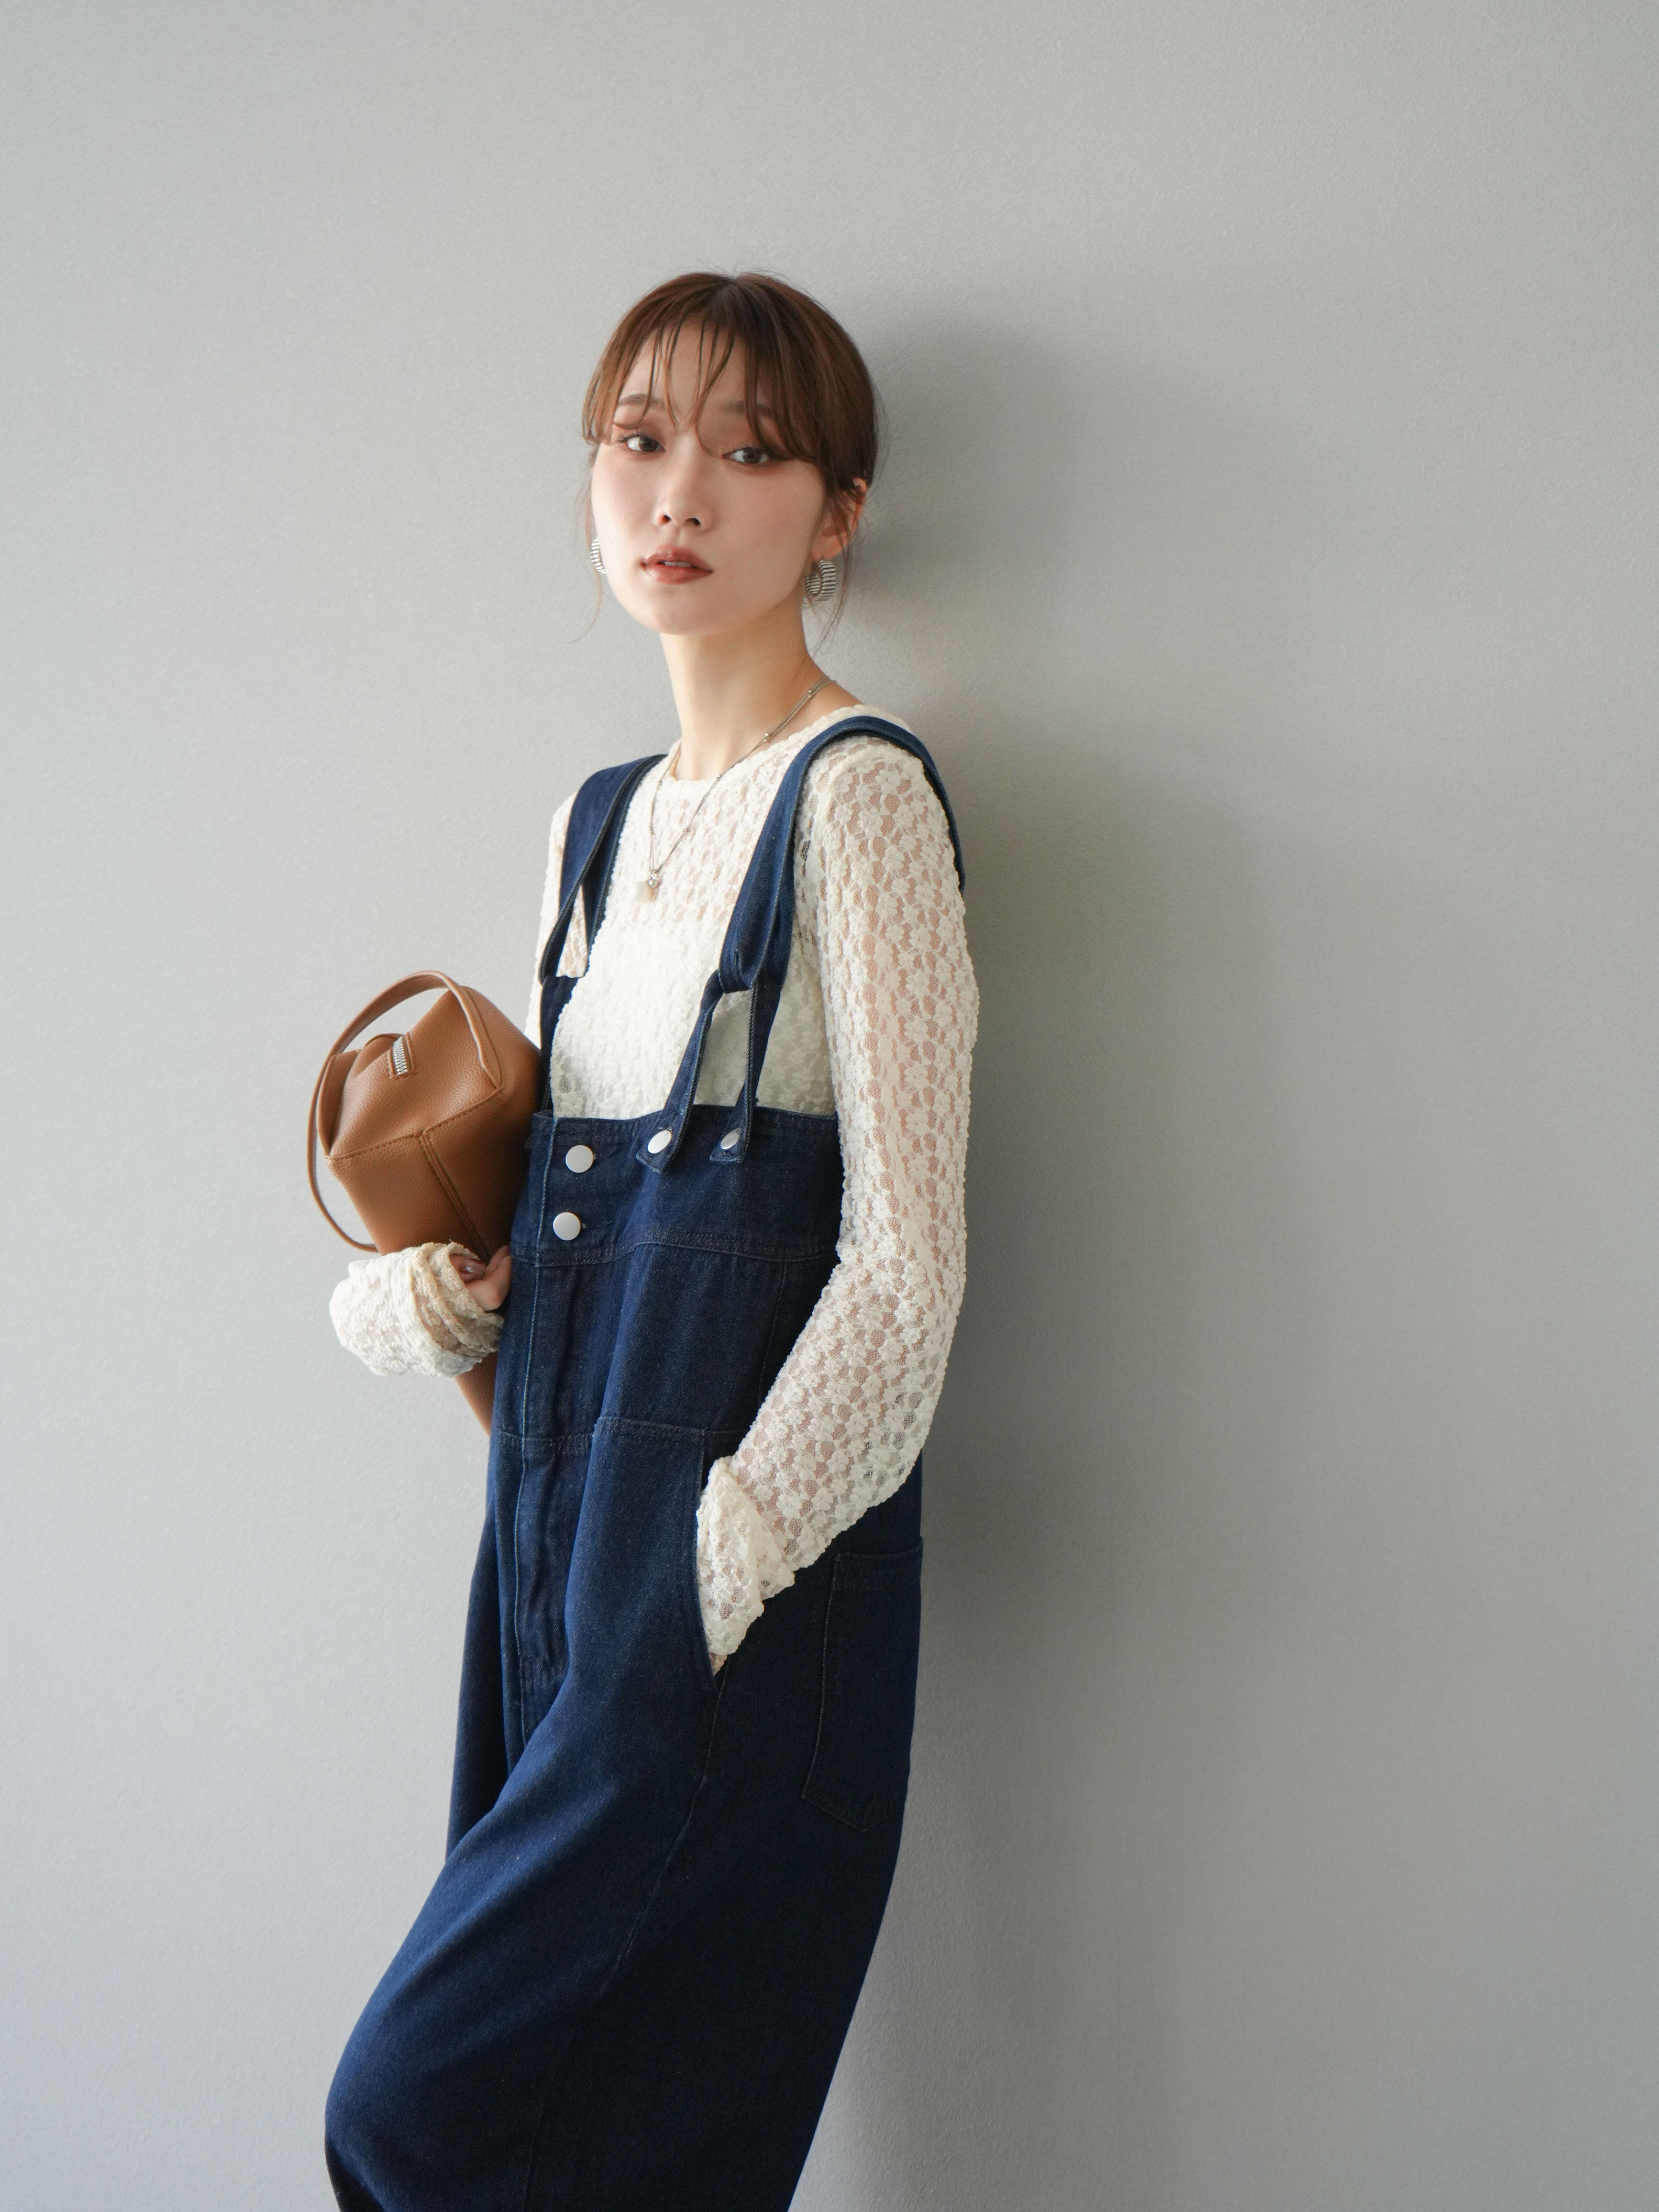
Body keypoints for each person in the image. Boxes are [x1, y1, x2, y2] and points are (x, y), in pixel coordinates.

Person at [322, 270, 978, 2211]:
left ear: (837, 513)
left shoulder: (861, 804)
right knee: (598, 2162)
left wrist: (709, 1568)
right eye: (639, 439)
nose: (679, 491)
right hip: (545, 1546)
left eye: (750, 452)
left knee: (416, 2114)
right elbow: (575, 1267)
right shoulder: (592, 831)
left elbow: (909, 1272)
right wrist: (443, 1308)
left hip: (730, 1584)